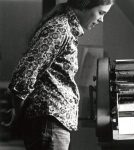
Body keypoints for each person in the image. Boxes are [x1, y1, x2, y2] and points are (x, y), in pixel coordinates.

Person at [8, 0, 114, 149]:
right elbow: (23, 75)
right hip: (50, 125)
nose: (101, 19)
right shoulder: (59, 28)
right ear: (84, 6)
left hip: (51, 125)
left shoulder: (65, 29)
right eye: (101, 13)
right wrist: (20, 113)